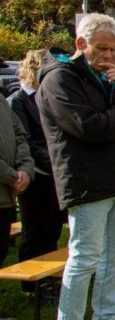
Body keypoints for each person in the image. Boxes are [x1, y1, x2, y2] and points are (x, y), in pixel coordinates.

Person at [38, 13, 115, 320]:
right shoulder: (60, 79)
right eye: (101, 48)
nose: (108, 56)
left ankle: (105, 319)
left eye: (114, 50)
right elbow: (90, 128)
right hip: (86, 181)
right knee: (84, 257)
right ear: (80, 43)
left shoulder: (108, 78)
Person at [8, 49, 64, 301]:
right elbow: (27, 141)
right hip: (37, 175)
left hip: (54, 175)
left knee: (52, 229)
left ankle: (49, 279)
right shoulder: (18, 101)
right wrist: (56, 160)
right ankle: (32, 286)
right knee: (35, 231)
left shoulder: (47, 96)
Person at [0, 87, 33, 320]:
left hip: (6, 196)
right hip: (7, 183)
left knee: (1, 250)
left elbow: (20, 136)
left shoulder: (1, 101)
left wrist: (25, 169)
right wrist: (13, 176)